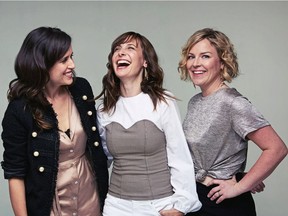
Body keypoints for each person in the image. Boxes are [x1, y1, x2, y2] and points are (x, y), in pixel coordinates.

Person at [178, 28, 288, 216]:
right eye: (191, 56)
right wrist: (244, 177)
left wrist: (239, 186)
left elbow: (277, 148)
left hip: (222, 204)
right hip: (195, 197)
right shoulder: (195, 101)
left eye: (205, 56)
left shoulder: (233, 103)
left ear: (222, 62)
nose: (195, 63)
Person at [1, 26, 109, 216]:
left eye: (72, 57)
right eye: (64, 60)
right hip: (49, 205)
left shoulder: (81, 89)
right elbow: (15, 173)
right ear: (42, 64)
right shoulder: (20, 110)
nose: (72, 65)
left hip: (91, 199)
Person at [96, 31, 202, 216]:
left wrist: (181, 204)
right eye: (117, 49)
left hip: (159, 205)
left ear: (145, 61)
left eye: (130, 48)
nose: (121, 53)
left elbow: (179, 155)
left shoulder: (163, 102)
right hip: (116, 206)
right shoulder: (104, 110)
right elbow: (101, 159)